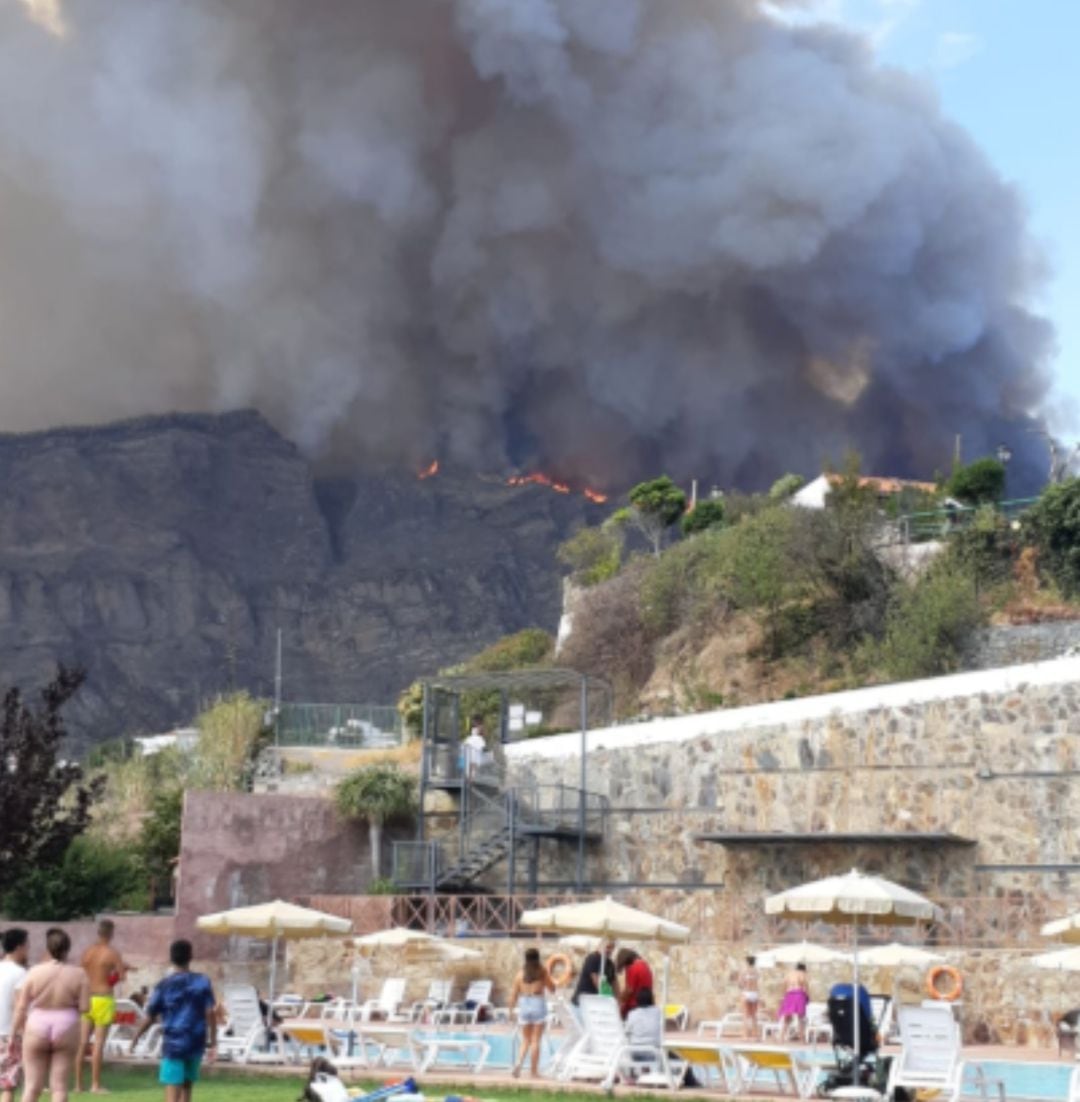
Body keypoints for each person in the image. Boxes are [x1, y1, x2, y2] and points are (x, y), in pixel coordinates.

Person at [10, 927, 90, 1102]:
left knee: (31, 1087)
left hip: (37, 1023)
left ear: (48, 948)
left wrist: (12, 1033)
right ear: (67, 948)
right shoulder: (79, 974)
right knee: (59, 1087)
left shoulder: (34, 972)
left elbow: (21, 1007)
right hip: (66, 1024)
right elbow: (85, 1008)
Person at [131, 939, 216, 1102]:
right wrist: (214, 1041)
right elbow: (210, 1012)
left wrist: (136, 1037)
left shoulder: (164, 985)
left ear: (171, 958)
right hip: (195, 1041)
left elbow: (150, 1016)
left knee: (172, 1094)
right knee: (186, 1092)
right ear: (191, 957)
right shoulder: (203, 982)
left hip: (174, 1043)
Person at [75, 918, 127, 1093]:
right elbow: (120, 977)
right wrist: (119, 972)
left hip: (87, 998)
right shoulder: (112, 953)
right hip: (103, 998)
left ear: (98, 932)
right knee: (98, 1043)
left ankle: (78, 1084)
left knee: (82, 1043)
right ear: (111, 933)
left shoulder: (87, 952)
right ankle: (95, 1085)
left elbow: (81, 974)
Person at [507, 948, 554, 1079]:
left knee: (525, 1040)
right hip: (537, 1002)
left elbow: (513, 995)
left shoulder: (519, 974)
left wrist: (510, 1011)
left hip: (524, 1004)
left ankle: (518, 1063)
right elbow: (552, 988)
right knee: (536, 1041)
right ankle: (533, 1072)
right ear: (538, 958)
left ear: (526, 959)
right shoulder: (542, 971)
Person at [0, 929, 29, 1102]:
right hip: (8, 1033)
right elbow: (21, 1006)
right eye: (27, 946)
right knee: (8, 1084)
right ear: (19, 947)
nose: (28, 950)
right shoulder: (20, 973)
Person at [570, 940, 616, 1006]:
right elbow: (597, 981)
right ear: (600, 947)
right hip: (582, 1003)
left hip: (595, 1002)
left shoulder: (610, 964)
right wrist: (609, 997)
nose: (610, 950)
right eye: (607, 947)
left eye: (612, 948)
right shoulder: (593, 958)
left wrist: (617, 1001)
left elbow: (614, 984)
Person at [625, 988, 663, 1068]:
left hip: (634, 1052)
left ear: (637, 1000)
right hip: (654, 1052)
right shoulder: (658, 1012)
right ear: (652, 999)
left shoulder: (632, 1014)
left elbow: (627, 1031)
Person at [615, 948, 653, 1020]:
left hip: (634, 1006)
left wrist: (620, 999)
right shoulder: (644, 964)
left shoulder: (633, 967)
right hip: (646, 1004)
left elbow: (629, 990)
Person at [778, 962, 810, 1040]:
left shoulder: (789, 974)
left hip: (789, 994)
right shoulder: (802, 974)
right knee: (801, 1017)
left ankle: (781, 1037)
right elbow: (805, 986)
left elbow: (784, 985)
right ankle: (802, 1038)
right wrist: (808, 996)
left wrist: (783, 996)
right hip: (799, 994)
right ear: (804, 969)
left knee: (787, 1017)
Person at [738, 955, 760, 1038]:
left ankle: (745, 1035)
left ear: (747, 962)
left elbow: (740, 983)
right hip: (755, 993)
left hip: (747, 992)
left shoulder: (744, 971)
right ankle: (755, 1034)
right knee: (754, 1015)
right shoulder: (757, 971)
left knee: (745, 1015)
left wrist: (743, 986)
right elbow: (756, 981)